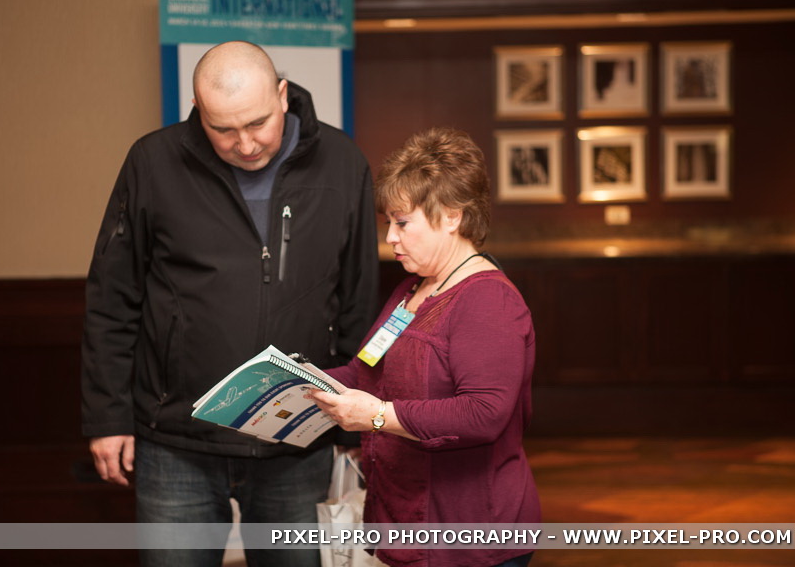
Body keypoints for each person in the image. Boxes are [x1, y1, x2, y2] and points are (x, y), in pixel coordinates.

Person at [81, 41, 379, 567]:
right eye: (223, 129)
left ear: (282, 95)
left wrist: (355, 418)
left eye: (258, 123)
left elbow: (358, 297)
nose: (245, 144)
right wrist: (107, 418)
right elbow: (112, 299)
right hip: (177, 442)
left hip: (297, 440)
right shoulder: (153, 162)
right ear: (198, 110)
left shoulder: (341, 162)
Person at [309, 127, 540, 567]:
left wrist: (377, 416)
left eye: (402, 223)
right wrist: (299, 382)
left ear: (452, 216)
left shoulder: (488, 299)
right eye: (389, 224)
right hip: (408, 523)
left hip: (470, 536)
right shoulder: (412, 288)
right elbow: (365, 371)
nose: (391, 238)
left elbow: (484, 414)